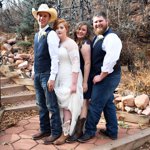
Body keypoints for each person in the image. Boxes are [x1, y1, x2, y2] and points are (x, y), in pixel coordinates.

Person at [78, 12, 122, 142]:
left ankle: (89, 131)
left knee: (95, 104)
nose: (98, 24)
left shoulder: (111, 37)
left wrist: (101, 76)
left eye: (100, 21)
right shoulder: (98, 37)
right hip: (105, 76)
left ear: (107, 21)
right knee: (108, 103)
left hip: (108, 77)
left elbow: (111, 59)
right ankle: (112, 131)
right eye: (95, 22)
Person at [31, 4, 62, 144]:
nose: (41, 18)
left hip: (46, 74)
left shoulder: (52, 34)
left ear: (49, 18)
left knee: (51, 105)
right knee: (41, 104)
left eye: (45, 15)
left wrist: (52, 77)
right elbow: (36, 54)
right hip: (37, 74)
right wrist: (33, 71)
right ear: (37, 16)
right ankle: (45, 129)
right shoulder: (37, 35)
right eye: (40, 15)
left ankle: (56, 132)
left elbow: (55, 58)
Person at [52, 18, 83, 145]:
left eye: (61, 27)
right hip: (61, 77)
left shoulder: (71, 44)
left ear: (67, 30)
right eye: (56, 28)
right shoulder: (57, 43)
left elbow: (76, 64)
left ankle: (65, 134)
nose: (58, 30)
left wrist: (74, 84)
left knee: (67, 107)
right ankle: (62, 130)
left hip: (71, 78)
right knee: (61, 106)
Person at [66, 21, 92, 143]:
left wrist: (85, 82)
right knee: (77, 101)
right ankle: (73, 128)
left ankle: (79, 130)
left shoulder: (85, 44)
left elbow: (87, 63)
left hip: (84, 77)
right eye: (79, 29)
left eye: (83, 30)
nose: (80, 31)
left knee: (84, 102)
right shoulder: (75, 42)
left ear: (87, 32)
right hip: (77, 76)